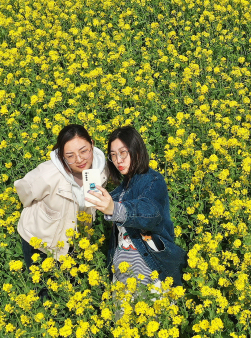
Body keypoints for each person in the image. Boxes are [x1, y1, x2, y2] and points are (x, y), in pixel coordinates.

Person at [85, 126, 186, 292]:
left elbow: (150, 213)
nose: (118, 160)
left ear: (137, 150)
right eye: (113, 155)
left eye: (123, 152)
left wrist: (115, 209)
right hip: (122, 282)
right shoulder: (119, 191)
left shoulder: (153, 180)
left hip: (150, 279)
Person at [14, 124, 109, 273]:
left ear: (92, 143)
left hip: (76, 241)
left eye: (84, 151)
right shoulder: (47, 174)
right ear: (62, 156)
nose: (79, 159)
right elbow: (24, 190)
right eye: (70, 156)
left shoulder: (101, 169)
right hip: (41, 241)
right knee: (44, 290)